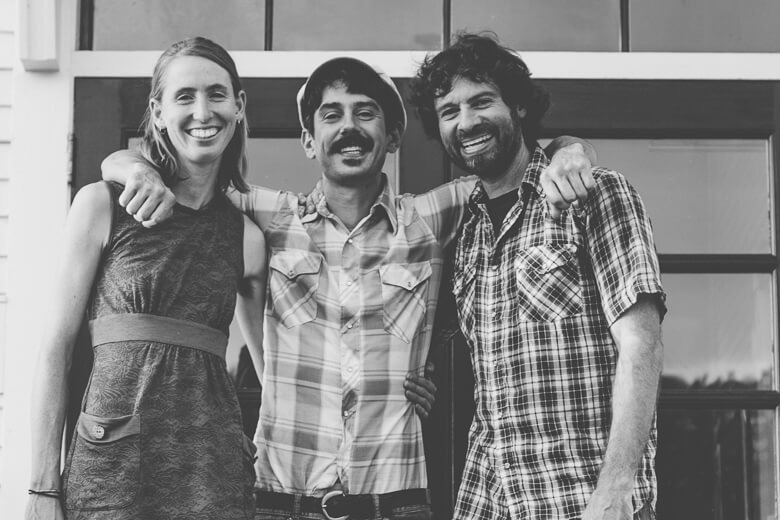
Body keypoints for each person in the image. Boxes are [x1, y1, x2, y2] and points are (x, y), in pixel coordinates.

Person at [101, 55, 595, 519]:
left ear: (393, 136)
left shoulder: (431, 217)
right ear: (309, 141)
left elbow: (516, 163)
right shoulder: (270, 217)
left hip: (397, 501)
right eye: (330, 115)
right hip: (279, 501)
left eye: (365, 113)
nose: (349, 128)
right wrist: (130, 165)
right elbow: (185, 172)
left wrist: (569, 149)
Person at [408, 33, 665, 520]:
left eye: (482, 101)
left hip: (579, 498)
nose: (467, 122)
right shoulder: (464, 231)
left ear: (519, 107)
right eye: (449, 111)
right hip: (488, 499)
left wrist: (617, 486)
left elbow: (642, 345)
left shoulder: (596, 194)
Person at [26, 37, 267, 520]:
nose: (204, 110)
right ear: (156, 112)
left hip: (213, 473)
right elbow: (56, 346)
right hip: (108, 466)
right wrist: (41, 488)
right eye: (184, 96)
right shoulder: (102, 205)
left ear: (238, 107)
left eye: (217, 94)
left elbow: (272, 370)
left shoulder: (247, 238)